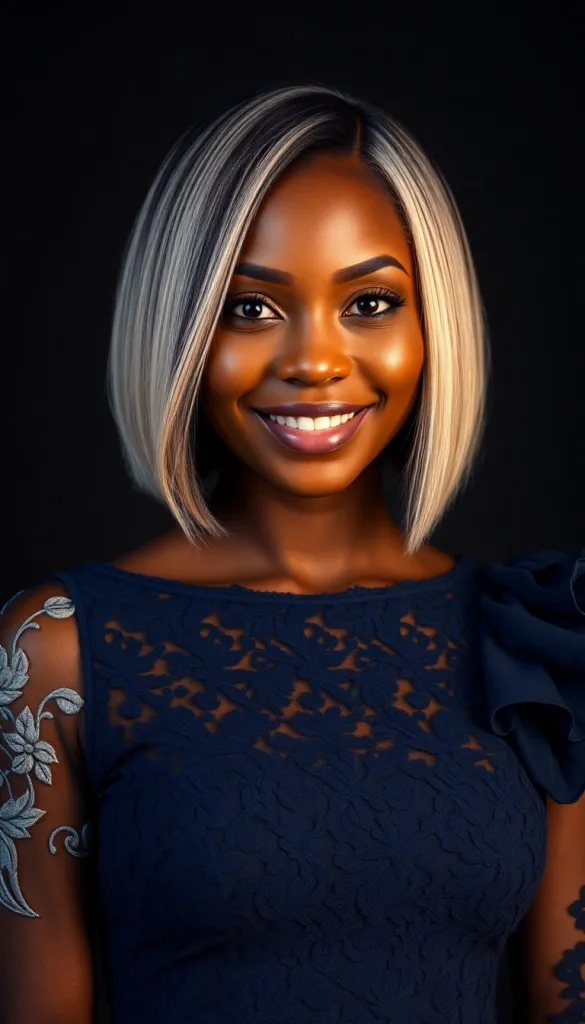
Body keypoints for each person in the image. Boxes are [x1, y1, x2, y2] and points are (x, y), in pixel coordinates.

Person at [0, 84, 583, 1024]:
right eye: (251, 308)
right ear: (181, 327)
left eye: (369, 301)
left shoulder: (533, 641)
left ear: (430, 324)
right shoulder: (59, 653)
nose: (315, 359)